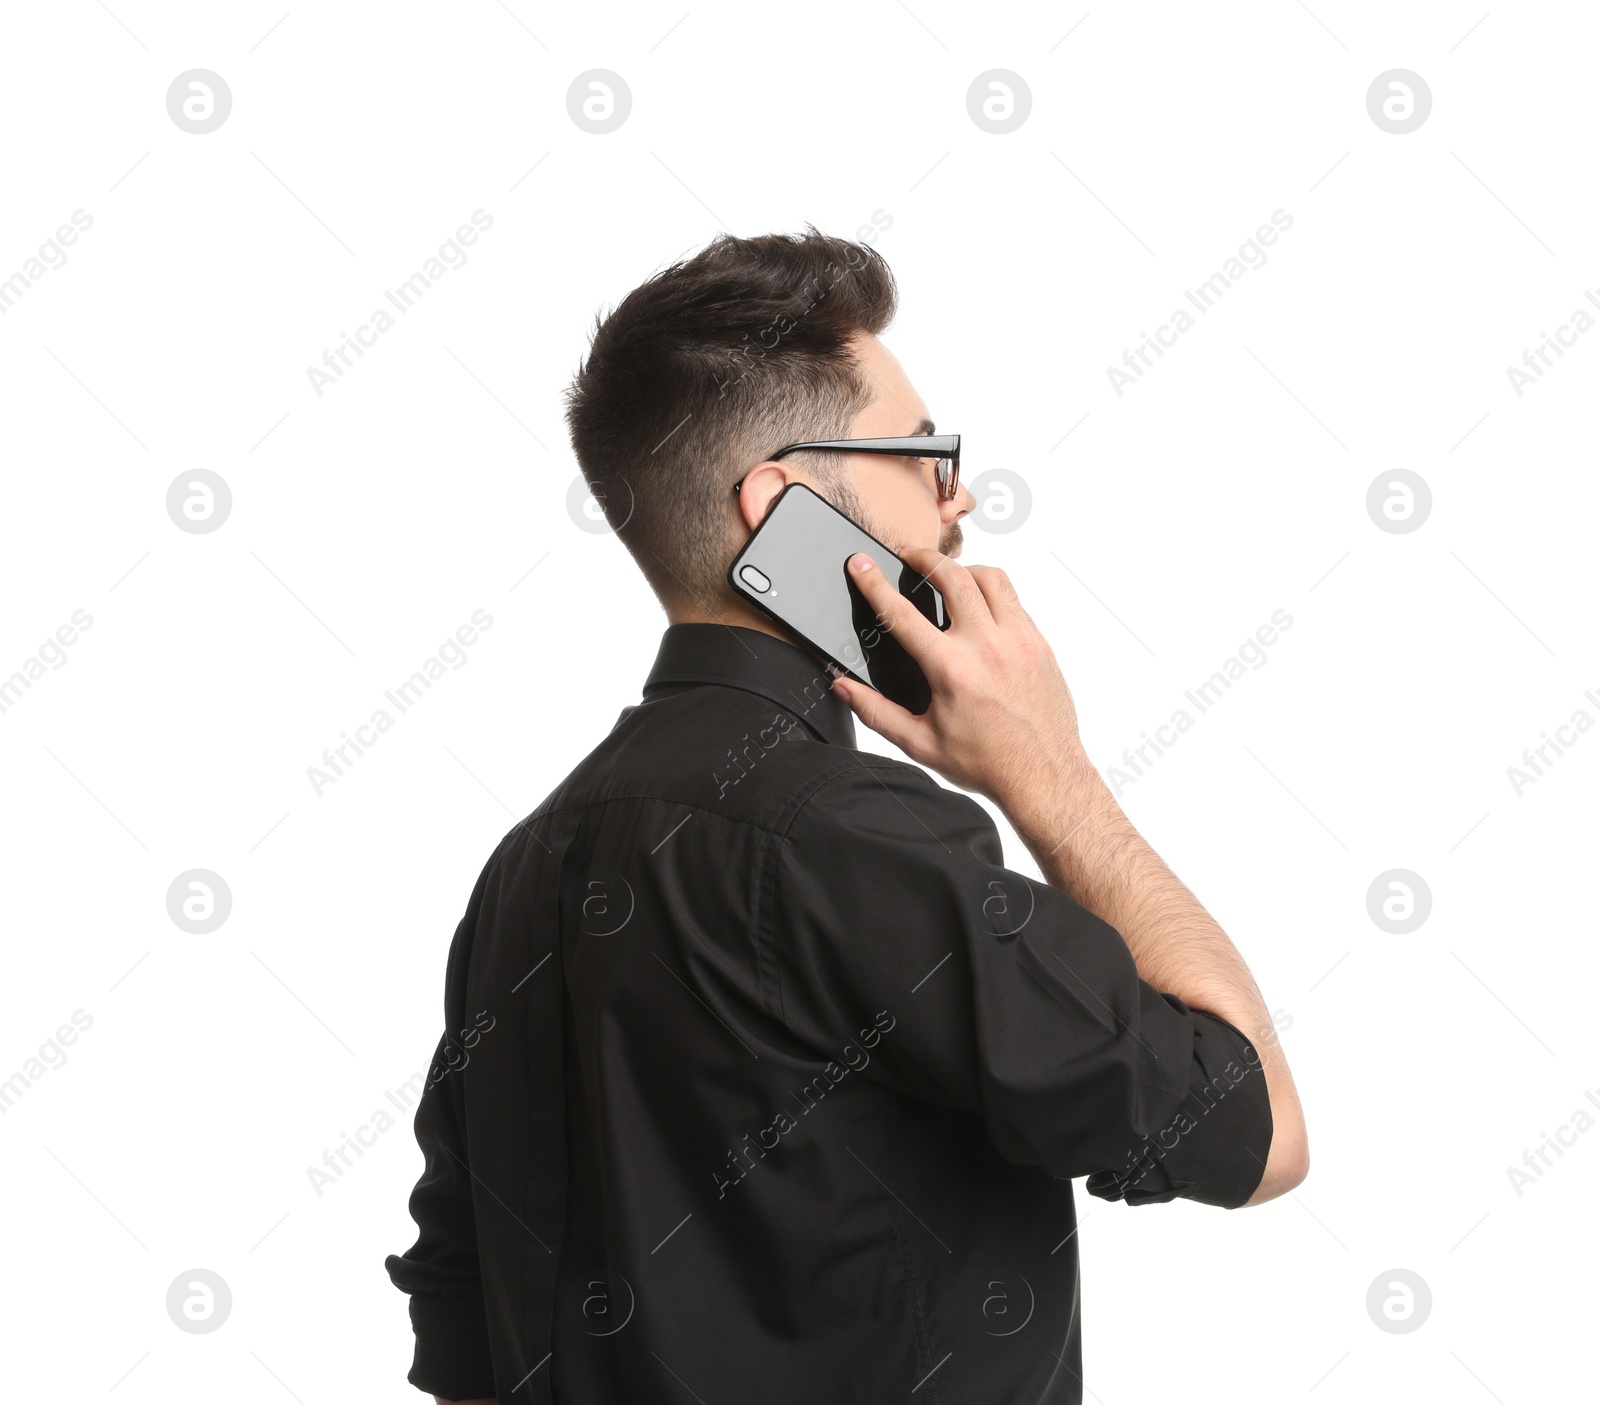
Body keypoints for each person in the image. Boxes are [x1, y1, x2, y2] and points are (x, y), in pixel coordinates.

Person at [385, 228, 1309, 1404]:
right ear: (779, 507)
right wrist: (1051, 776)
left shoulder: (522, 869)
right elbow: (1255, 1130)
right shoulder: (857, 838)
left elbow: (458, 1315)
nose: (955, 494)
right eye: (920, 455)